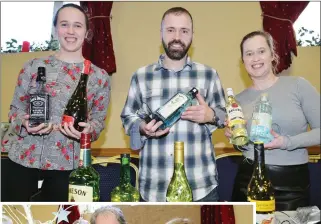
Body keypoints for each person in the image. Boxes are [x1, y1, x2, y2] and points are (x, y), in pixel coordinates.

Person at [3, 3, 111, 202]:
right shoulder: (33, 67)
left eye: (77, 25)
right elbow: (15, 110)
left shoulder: (99, 77)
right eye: (64, 24)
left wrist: (88, 131)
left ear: (87, 32)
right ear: (55, 30)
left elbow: (98, 122)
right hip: (22, 161)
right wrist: (24, 122)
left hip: (68, 168)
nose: (70, 31)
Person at [120, 7, 226, 202]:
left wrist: (211, 115)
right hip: (153, 187)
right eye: (170, 30)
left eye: (184, 31)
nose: (177, 36)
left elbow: (226, 116)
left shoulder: (209, 75)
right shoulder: (141, 76)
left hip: (201, 188)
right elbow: (128, 117)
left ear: (192, 35)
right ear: (161, 33)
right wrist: (141, 127)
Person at [224, 30, 320, 210]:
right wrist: (236, 138)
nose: (255, 58)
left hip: (292, 184)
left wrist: (286, 141)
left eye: (261, 51)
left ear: (272, 54)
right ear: (243, 61)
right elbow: (243, 146)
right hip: (248, 179)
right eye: (249, 54)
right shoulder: (237, 101)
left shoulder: (298, 86)